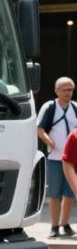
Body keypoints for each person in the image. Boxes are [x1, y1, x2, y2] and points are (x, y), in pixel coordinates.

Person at [36, 77, 76, 237]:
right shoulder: (50, 107)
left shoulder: (75, 108)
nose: (68, 93)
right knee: (54, 194)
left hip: (72, 160)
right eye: (65, 89)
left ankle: (65, 224)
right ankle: (54, 226)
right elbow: (39, 129)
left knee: (70, 193)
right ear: (57, 90)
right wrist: (49, 141)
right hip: (54, 157)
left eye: (71, 90)